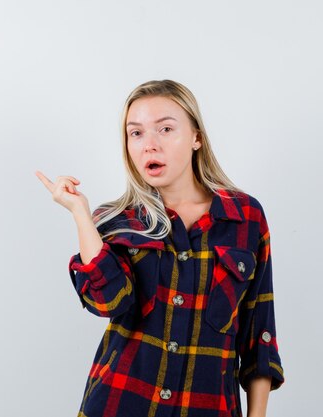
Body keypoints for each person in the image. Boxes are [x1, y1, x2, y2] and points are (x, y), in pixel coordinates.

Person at [35, 79, 284, 417]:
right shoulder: (115, 221)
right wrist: (80, 213)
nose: (149, 145)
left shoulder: (245, 217)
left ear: (196, 137)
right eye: (136, 133)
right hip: (119, 404)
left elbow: (259, 335)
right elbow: (108, 301)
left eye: (165, 129)